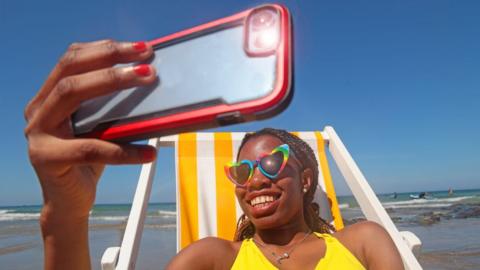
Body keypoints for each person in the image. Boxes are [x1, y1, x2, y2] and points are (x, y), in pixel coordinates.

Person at [25, 40, 404, 269]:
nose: (254, 179)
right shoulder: (213, 259)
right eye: (241, 171)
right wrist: (65, 219)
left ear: (306, 180)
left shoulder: (363, 241)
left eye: (272, 163)